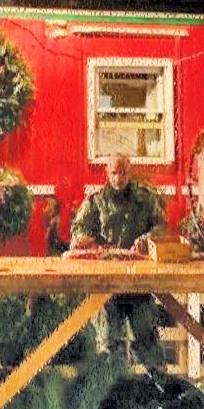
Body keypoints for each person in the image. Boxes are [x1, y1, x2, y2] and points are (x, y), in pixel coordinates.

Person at [70, 153, 167, 370]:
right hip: (107, 284)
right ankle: (113, 382)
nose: (118, 178)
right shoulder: (96, 201)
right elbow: (78, 230)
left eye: (123, 173)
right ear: (107, 173)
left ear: (129, 172)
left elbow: (161, 226)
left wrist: (147, 239)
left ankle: (158, 383)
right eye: (114, 173)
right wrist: (84, 239)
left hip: (138, 282)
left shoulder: (145, 199)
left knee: (148, 340)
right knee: (109, 344)